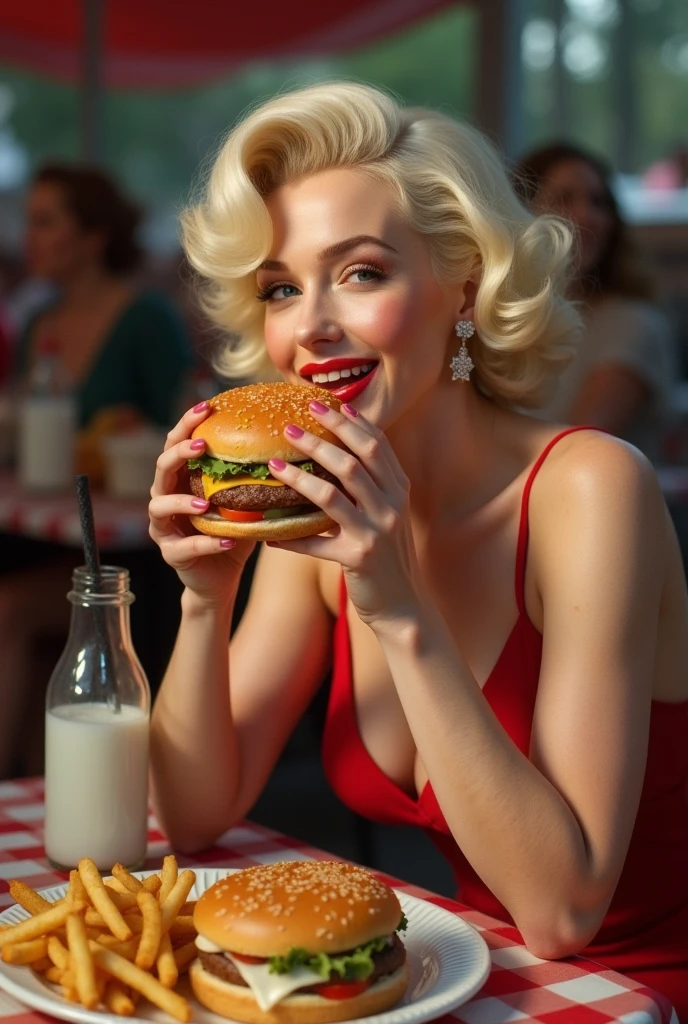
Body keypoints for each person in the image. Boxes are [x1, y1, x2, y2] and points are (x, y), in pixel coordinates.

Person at [148, 83, 688, 1014]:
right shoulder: (323, 510)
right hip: (468, 983)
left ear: (466, 284)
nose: (311, 324)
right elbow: (193, 814)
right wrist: (206, 597)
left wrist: (398, 610)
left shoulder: (591, 490)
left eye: (360, 273)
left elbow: (564, 909)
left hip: (631, 992)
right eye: (281, 287)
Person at [0, 163, 193, 779]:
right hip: (41, 534)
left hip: (129, 555)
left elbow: (187, 426)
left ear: (92, 236)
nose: (28, 236)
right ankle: (36, 783)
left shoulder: (145, 319)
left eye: (45, 221)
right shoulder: (40, 324)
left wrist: (129, 439)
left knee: (8, 612)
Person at [513, 142, 678, 464]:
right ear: (520, 212)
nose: (586, 215)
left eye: (599, 202)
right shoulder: (498, 320)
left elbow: (572, 452)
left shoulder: (632, 325)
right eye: (564, 199)